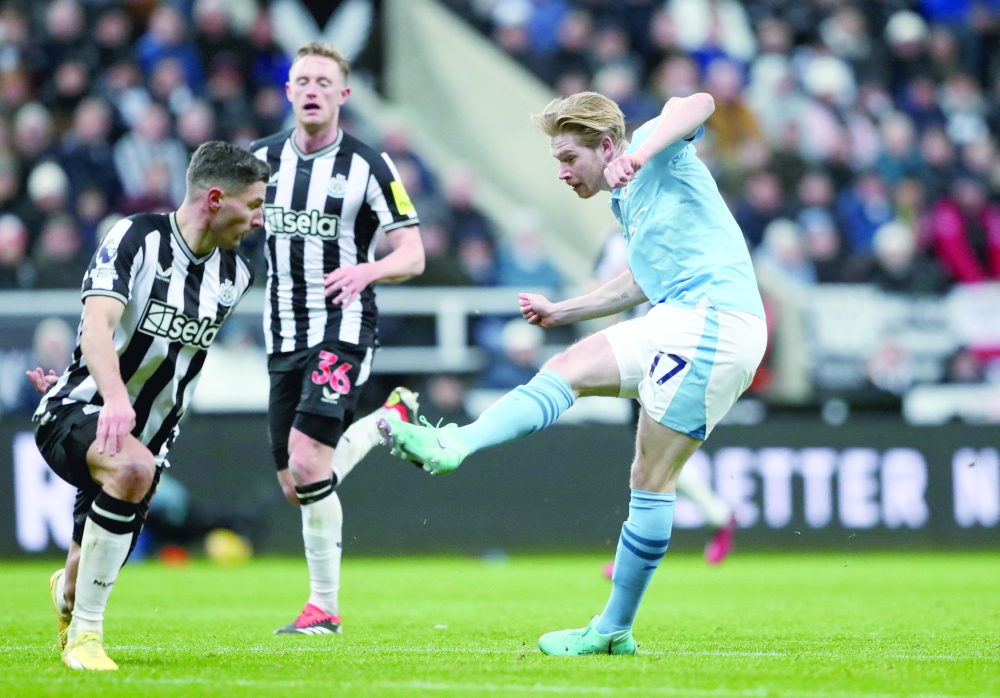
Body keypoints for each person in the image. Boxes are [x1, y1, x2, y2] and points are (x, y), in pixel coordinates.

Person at [379, 92, 766, 655]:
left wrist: (642, 151)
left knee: (650, 478)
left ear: (608, 146)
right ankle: (454, 442)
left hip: (716, 320)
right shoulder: (626, 202)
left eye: (568, 159)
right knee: (566, 367)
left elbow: (699, 102)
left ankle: (611, 630)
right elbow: (639, 282)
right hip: (679, 315)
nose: (561, 173)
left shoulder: (658, 150)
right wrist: (566, 310)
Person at [26, 141, 269, 670]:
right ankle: (86, 639)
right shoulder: (134, 238)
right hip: (80, 412)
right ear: (213, 198)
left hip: (146, 439)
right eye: (252, 205)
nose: (258, 218)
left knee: (77, 577)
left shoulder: (235, 277)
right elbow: (97, 326)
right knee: (131, 468)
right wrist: (107, 394)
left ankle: (68, 595)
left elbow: (171, 360)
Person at [249, 42, 425, 636]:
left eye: (326, 81)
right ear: (289, 91)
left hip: (342, 328)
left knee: (306, 458)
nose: (313, 90)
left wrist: (366, 271)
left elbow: (414, 254)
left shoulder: (370, 165)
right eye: (303, 80)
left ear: (344, 95)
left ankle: (323, 608)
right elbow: (217, 230)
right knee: (299, 484)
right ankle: (384, 423)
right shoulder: (259, 161)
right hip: (281, 333)